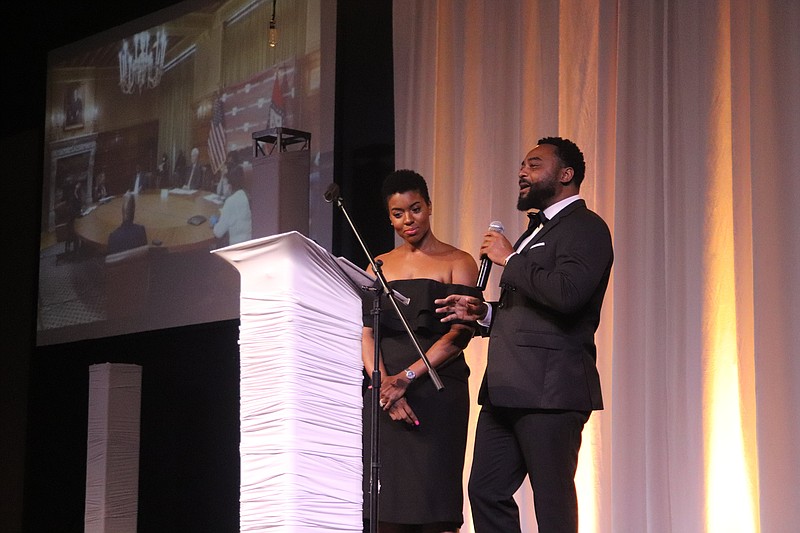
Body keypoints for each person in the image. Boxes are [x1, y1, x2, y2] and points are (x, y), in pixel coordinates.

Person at [434, 137, 613, 533]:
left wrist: (511, 259)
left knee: (552, 504)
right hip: (506, 390)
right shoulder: (535, 229)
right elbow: (532, 311)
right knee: (486, 491)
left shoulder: (587, 227)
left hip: (551, 391)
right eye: (521, 165)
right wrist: (484, 313)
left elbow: (567, 296)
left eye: (534, 165)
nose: (522, 173)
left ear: (565, 175)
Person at [361, 170, 480, 533]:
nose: (407, 220)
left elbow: (459, 335)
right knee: (386, 510)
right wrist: (385, 387)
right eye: (398, 214)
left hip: (435, 392)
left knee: (435, 508)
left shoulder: (458, 261)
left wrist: (406, 378)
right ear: (389, 216)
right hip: (385, 399)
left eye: (415, 209)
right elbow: (366, 334)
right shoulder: (377, 264)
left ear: (429, 207)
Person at [210, 163, 251, 245]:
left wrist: (214, 222)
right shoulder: (247, 196)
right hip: (249, 244)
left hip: (236, 249)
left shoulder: (231, 201)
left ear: (230, 186)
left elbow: (218, 233)